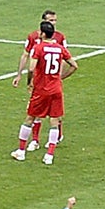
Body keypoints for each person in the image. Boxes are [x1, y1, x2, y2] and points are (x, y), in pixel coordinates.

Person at [12, 16, 77, 164]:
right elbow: (74, 65)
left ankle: (21, 151)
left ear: (41, 33)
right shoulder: (60, 49)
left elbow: (31, 68)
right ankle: (49, 155)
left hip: (41, 89)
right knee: (54, 120)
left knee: (30, 118)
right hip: (56, 89)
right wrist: (61, 78)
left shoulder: (38, 48)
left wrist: (30, 83)